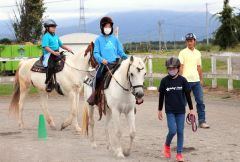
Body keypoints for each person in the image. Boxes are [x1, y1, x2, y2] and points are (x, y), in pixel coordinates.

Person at [158, 57, 194, 162]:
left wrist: (191, 109)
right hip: (169, 110)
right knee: (173, 130)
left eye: (174, 68)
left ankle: (179, 153)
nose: (171, 70)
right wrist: (159, 110)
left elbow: (188, 95)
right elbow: (161, 96)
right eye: (169, 68)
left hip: (181, 111)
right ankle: (167, 145)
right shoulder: (164, 81)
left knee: (180, 131)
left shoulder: (183, 80)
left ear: (178, 68)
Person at [87, 16, 128, 105]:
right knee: (97, 77)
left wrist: (126, 57)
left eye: (109, 26)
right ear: (102, 28)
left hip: (115, 63)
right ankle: (94, 96)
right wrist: (102, 60)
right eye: (106, 26)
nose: (108, 28)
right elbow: (96, 53)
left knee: (127, 74)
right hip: (104, 64)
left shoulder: (115, 39)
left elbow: (120, 51)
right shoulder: (98, 39)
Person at [178, 33, 210, 129]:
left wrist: (201, 79)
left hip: (196, 81)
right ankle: (179, 121)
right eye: (188, 41)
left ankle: (202, 121)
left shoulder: (198, 53)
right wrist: (179, 80)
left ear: (195, 41)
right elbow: (181, 67)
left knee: (200, 101)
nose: (189, 42)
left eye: (191, 40)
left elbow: (199, 67)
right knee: (183, 103)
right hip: (185, 81)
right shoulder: (182, 52)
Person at [42, 19, 72, 92]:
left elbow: (61, 45)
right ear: (47, 28)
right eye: (52, 27)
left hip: (57, 53)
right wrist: (53, 52)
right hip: (49, 54)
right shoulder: (46, 36)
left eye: (54, 27)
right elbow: (45, 46)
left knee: (66, 62)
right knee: (51, 66)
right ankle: (48, 82)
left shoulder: (55, 36)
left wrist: (67, 48)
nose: (54, 28)